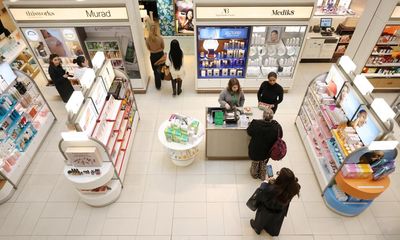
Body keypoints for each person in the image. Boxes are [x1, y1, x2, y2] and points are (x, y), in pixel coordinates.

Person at [250, 167, 300, 236]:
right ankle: (271, 231)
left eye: (279, 174)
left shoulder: (272, 189)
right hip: (280, 209)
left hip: (267, 208)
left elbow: (262, 192)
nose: (278, 174)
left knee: (261, 219)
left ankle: (257, 228)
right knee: (275, 220)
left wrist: (265, 182)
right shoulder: (295, 187)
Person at [247, 108, 283, 180]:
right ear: (272, 117)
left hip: (255, 149)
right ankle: (262, 175)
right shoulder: (277, 127)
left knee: (255, 162)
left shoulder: (255, 123)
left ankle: (254, 174)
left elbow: (249, 132)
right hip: (268, 150)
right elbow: (280, 136)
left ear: (263, 116)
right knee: (264, 163)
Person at [146, 24, 165, 90]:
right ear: (156, 30)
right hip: (160, 54)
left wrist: (153, 50)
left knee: (155, 70)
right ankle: (162, 77)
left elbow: (148, 48)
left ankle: (158, 86)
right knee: (162, 67)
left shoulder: (147, 39)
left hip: (153, 55)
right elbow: (163, 47)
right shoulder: (160, 38)